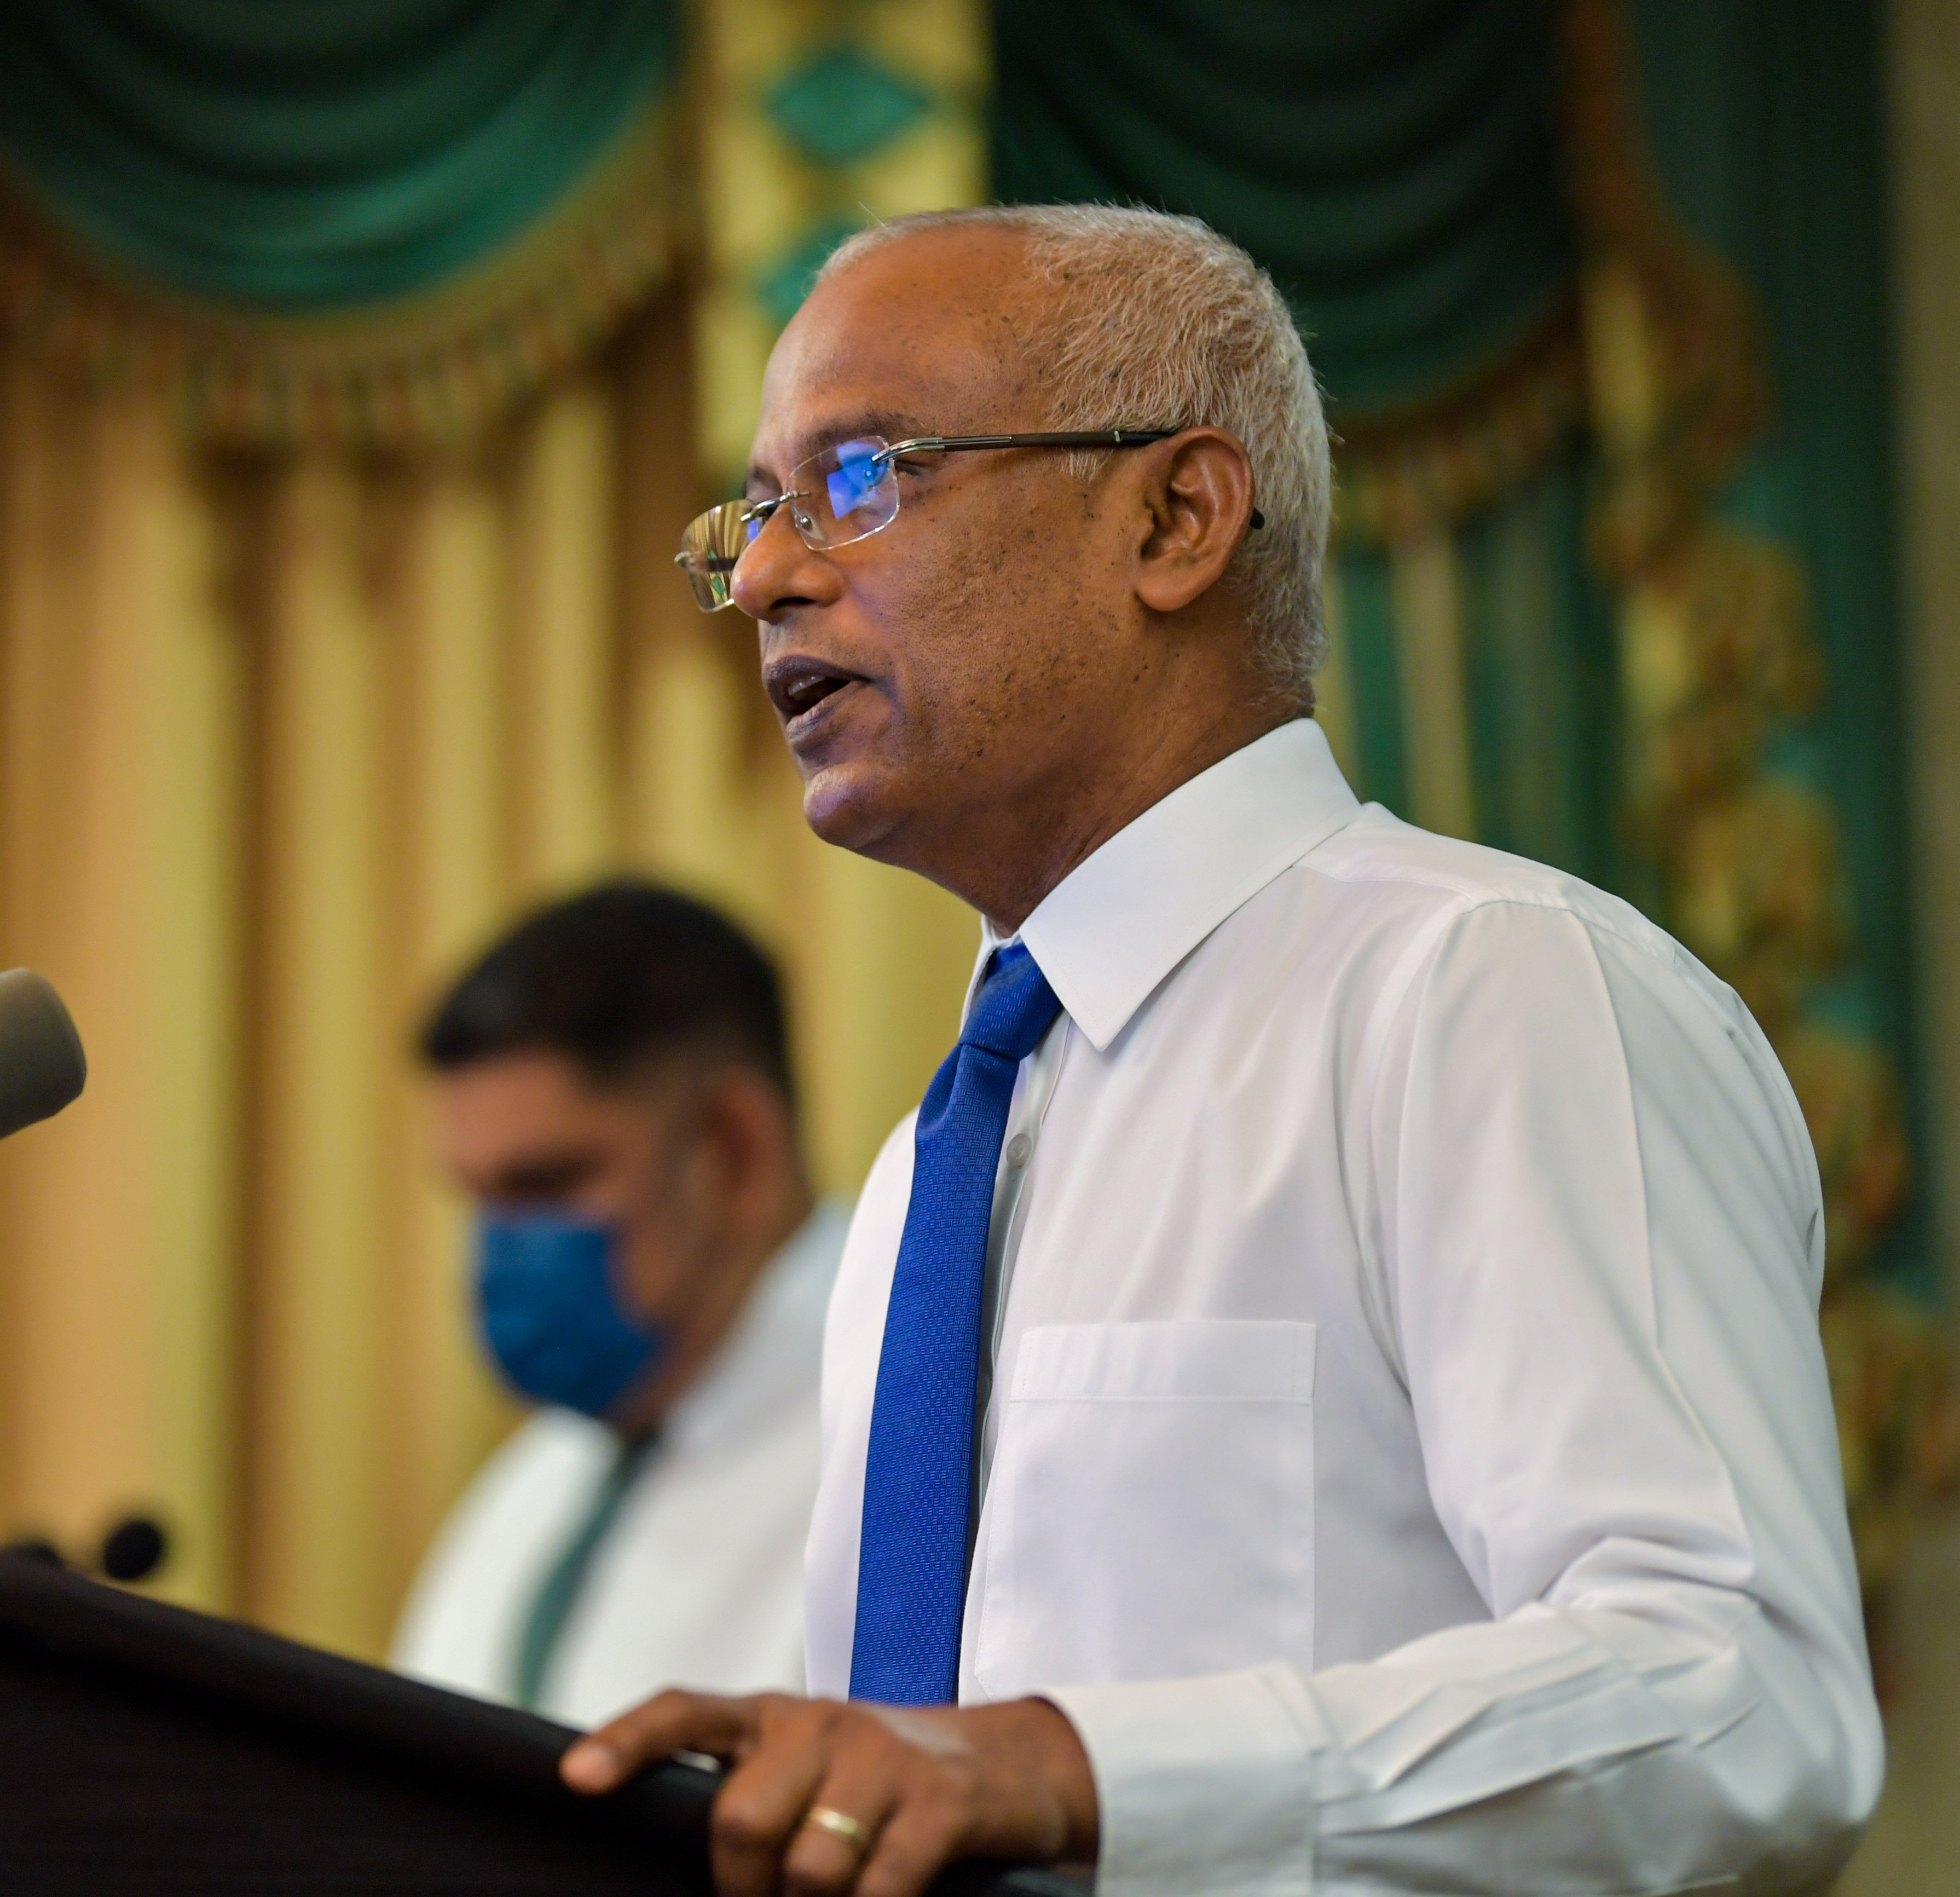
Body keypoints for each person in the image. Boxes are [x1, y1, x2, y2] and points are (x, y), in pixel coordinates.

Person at [558, 204, 1882, 1897]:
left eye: (864, 477)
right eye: (752, 513)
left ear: (1174, 518)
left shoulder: (1486, 994)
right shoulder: (926, 1172)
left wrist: (1069, 1769)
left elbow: (1735, 1699)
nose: (761, 577)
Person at [393, 883, 851, 1729]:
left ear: (734, 1149)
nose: (500, 1246)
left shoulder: (907, 1448)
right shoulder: (534, 1489)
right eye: (480, 1199)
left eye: (544, 1183)